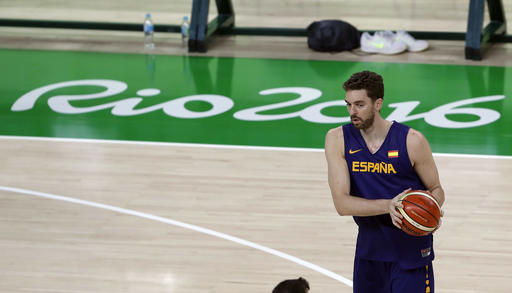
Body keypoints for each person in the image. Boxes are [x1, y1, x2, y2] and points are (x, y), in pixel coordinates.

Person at [324, 70, 445, 293]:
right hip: (369, 253)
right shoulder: (337, 139)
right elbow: (341, 204)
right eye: (348, 104)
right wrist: (389, 205)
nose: (352, 112)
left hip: (411, 253)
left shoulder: (412, 141)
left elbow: (436, 189)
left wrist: (432, 208)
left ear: (378, 103)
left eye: (360, 104)